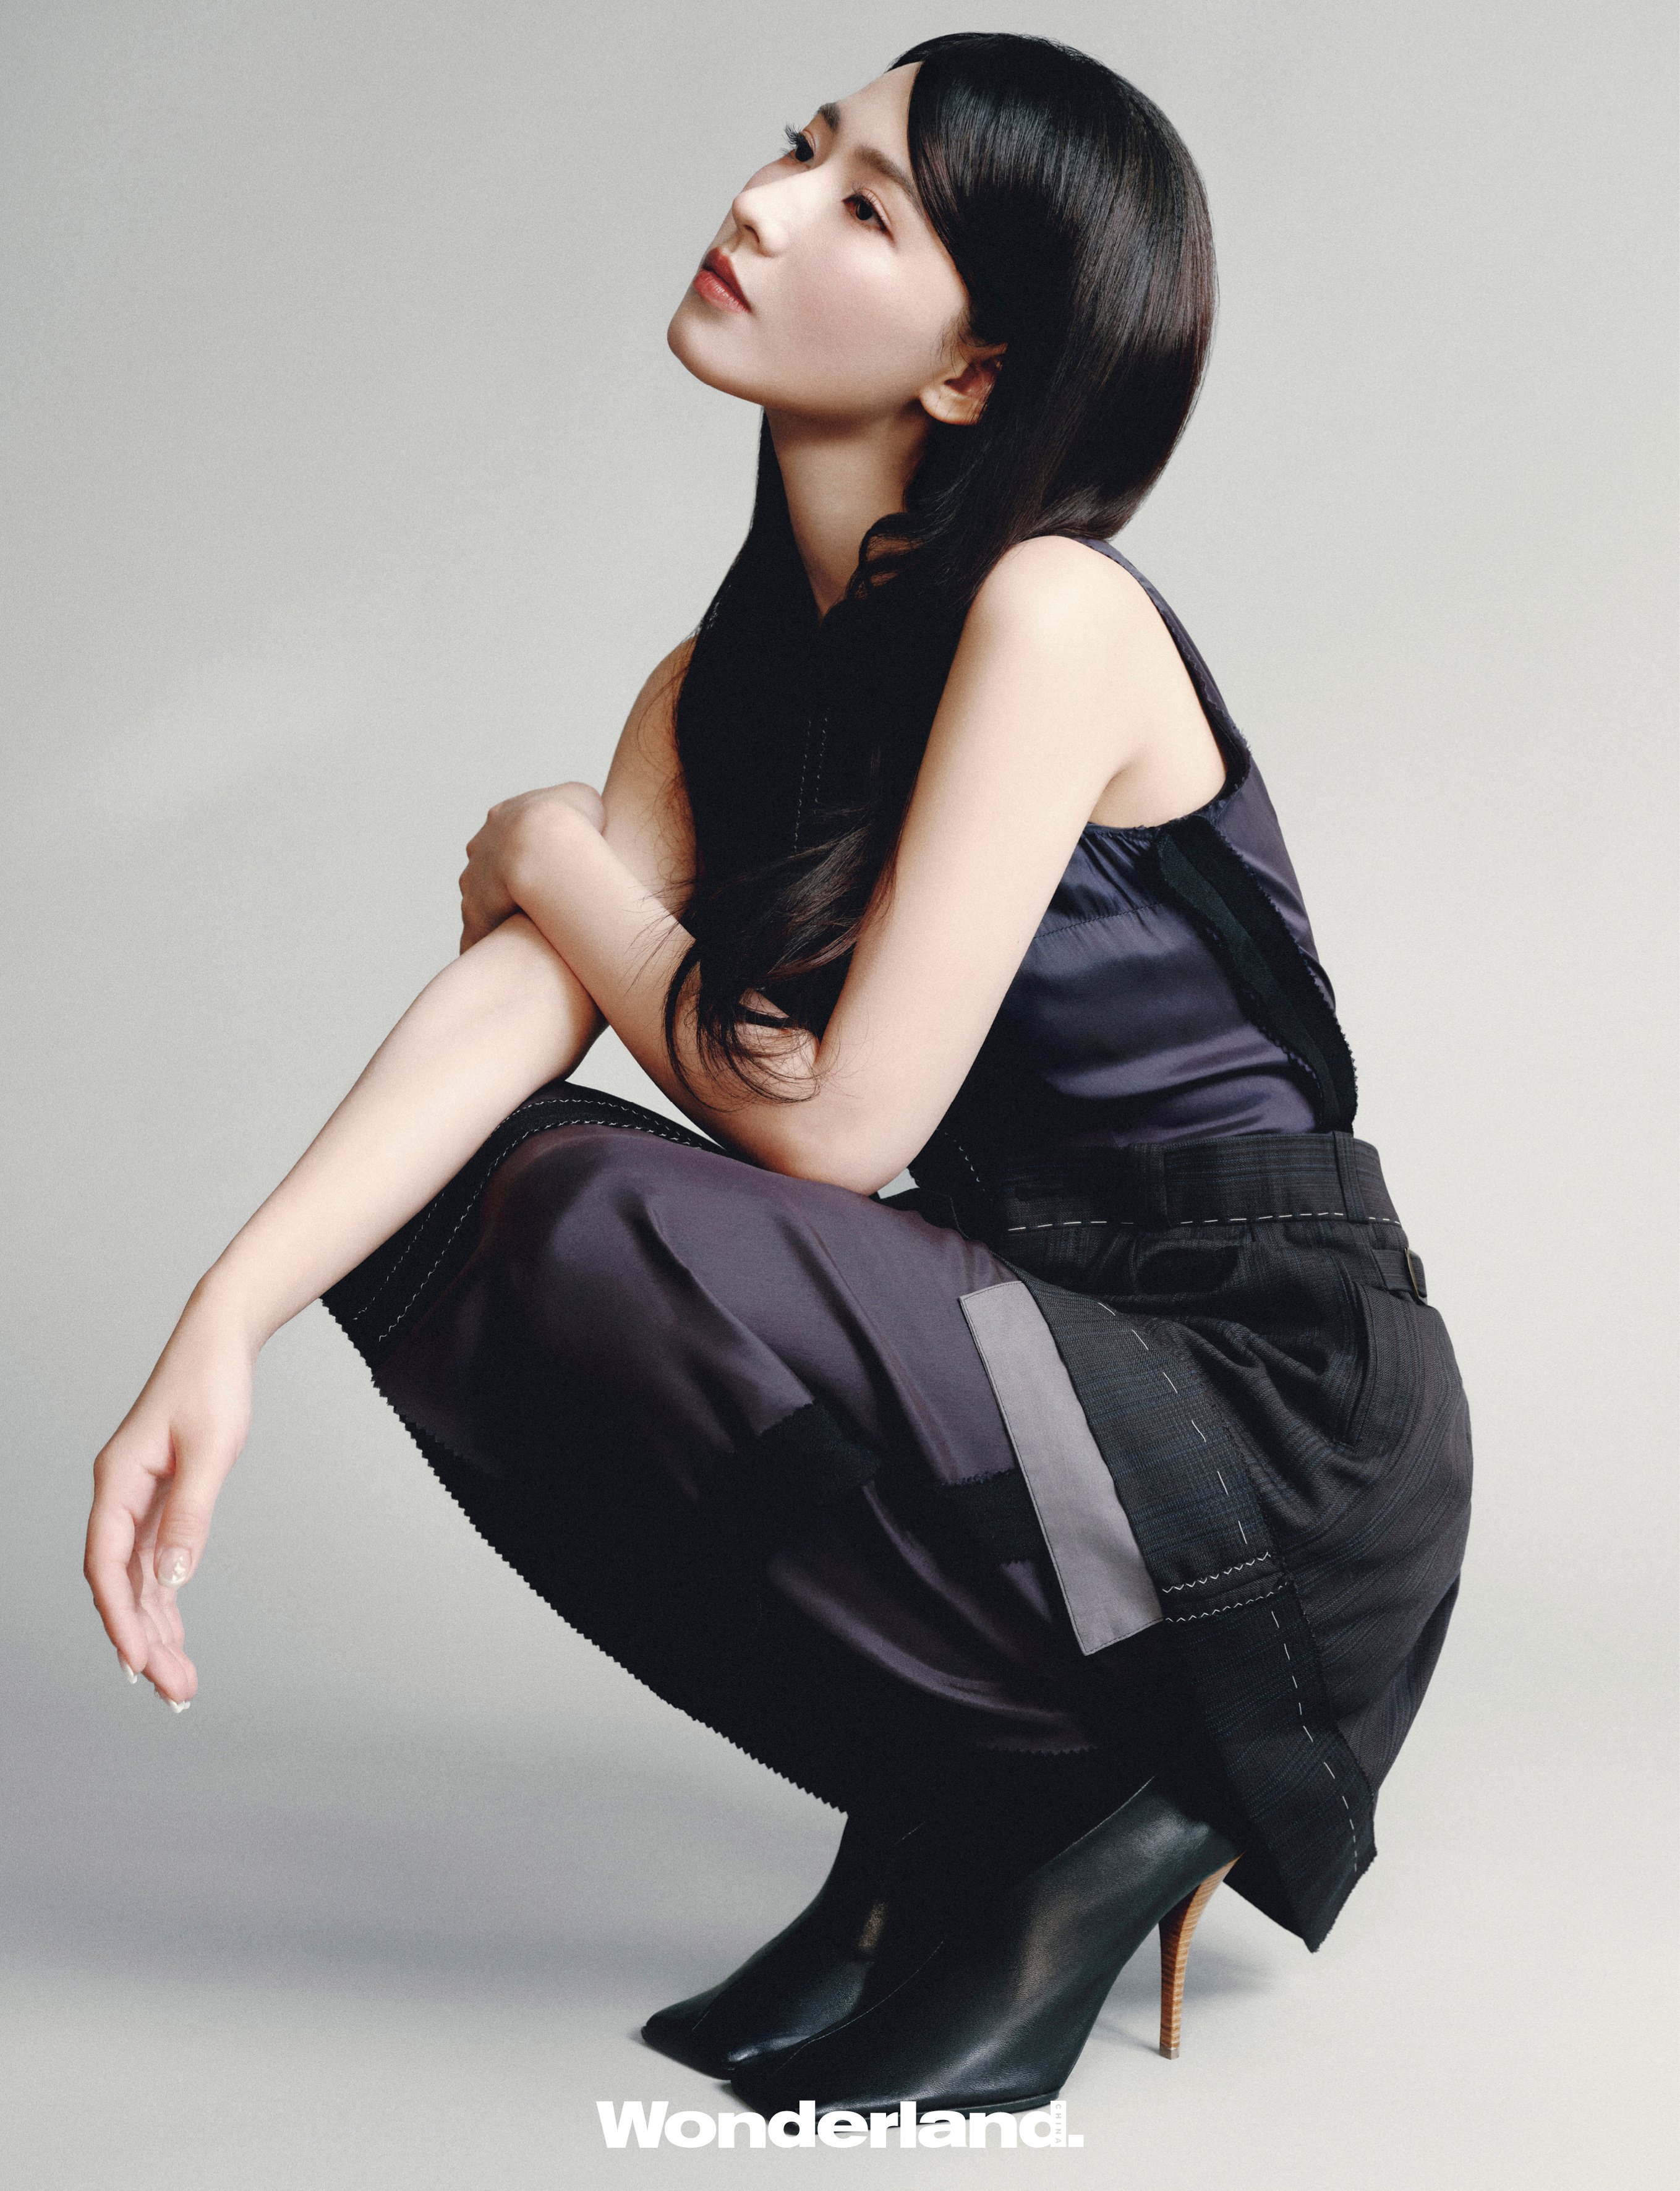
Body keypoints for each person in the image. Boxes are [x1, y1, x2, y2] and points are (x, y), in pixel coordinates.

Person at [83, 33, 1472, 2118]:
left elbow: (837, 1125)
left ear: (975, 373)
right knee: (473, 1215)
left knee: (587, 1207)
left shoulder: (1055, 615)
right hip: (1033, 1352)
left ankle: (1113, 1797)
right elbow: (513, 1025)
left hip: (1265, 1420)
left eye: (864, 205)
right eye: (800, 150)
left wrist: (559, 854)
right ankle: (969, 1790)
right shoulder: (721, 682)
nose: (762, 201)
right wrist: (226, 1319)